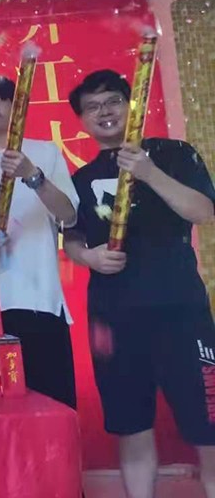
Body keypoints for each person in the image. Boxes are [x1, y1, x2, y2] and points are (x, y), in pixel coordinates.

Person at [64, 69, 215, 498]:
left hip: (182, 313)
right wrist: (88, 257)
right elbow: (71, 238)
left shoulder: (174, 154)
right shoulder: (80, 180)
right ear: (83, 121)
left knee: (208, 427)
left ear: (131, 106)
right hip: (114, 320)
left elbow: (203, 212)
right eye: (92, 107)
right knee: (131, 426)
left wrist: (149, 172)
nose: (104, 112)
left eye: (112, 101)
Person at [0, 74, 79, 408]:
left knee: (54, 411)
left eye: (2, 98)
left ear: (16, 107)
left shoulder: (45, 153)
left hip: (42, 303)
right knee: (3, 416)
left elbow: (69, 215)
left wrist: (32, 176)